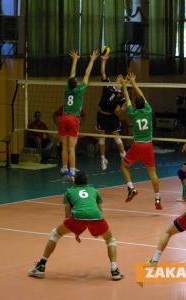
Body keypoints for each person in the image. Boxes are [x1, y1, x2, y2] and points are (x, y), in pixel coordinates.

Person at [28, 171, 123, 281]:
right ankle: (115, 270)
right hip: (97, 218)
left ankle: (41, 266)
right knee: (111, 240)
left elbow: (68, 217)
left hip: (77, 217)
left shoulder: (69, 192)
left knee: (55, 234)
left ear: (74, 181)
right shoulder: (94, 190)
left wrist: (75, 231)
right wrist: (97, 230)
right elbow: (100, 212)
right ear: (87, 181)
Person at [119, 73, 162, 210]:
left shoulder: (133, 113)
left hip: (137, 146)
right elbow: (142, 95)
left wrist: (125, 85)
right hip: (148, 146)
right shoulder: (148, 110)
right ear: (144, 104)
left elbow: (128, 99)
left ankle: (131, 188)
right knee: (152, 172)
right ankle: (157, 198)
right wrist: (133, 83)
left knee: (124, 166)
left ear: (136, 106)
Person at [58, 49, 99, 179]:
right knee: (72, 147)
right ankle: (72, 171)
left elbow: (72, 74)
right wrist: (92, 60)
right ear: (76, 83)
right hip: (73, 119)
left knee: (64, 146)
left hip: (63, 118)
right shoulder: (80, 89)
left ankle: (64, 168)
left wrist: (75, 60)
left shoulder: (67, 89)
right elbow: (87, 74)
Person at [97, 53, 127, 170]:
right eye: (119, 77)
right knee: (101, 137)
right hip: (101, 115)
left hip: (112, 117)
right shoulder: (108, 86)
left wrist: (121, 109)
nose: (119, 77)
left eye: (122, 78)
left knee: (116, 137)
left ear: (122, 83)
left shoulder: (121, 97)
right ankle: (103, 158)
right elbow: (103, 73)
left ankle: (123, 156)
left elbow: (120, 111)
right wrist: (104, 60)